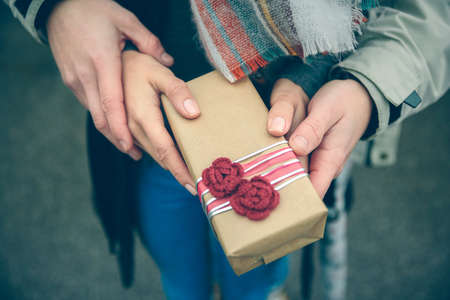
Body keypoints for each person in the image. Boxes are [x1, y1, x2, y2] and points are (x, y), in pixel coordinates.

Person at [4, 0, 449, 300]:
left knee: (261, 267)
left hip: (279, 126)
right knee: (177, 261)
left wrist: (364, 86)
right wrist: (61, 9)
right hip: (155, 126)